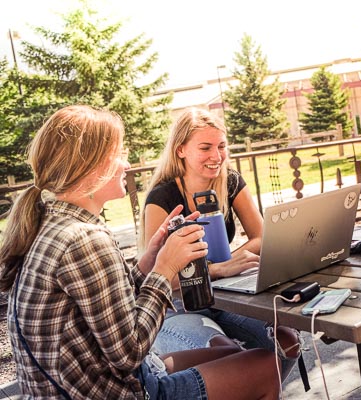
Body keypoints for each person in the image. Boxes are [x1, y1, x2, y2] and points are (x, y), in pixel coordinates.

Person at [0, 105, 280, 399]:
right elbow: (129, 352)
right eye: (119, 154)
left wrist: (145, 268)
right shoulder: (85, 240)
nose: (127, 164)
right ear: (92, 165)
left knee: (229, 356)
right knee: (264, 365)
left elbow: (106, 308)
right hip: (124, 389)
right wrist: (164, 270)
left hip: (101, 380)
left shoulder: (54, 224)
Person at [141, 107, 300, 379]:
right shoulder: (162, 198)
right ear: (181, 150)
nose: (217, 156)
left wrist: (229, 265)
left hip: (226, 297)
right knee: (225, 353)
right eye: (205, 148)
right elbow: (154, 277)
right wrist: (218, 268)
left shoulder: (230, 181)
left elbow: (262, 237)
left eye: (222, 146)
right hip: (179, 306)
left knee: (288, 342)